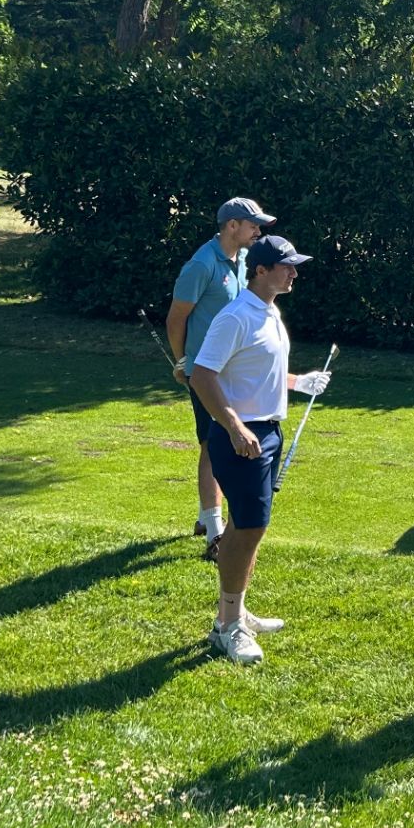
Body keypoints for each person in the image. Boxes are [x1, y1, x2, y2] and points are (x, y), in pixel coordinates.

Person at [189, 233, 332, 665]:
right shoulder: (236, 316)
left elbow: (256, 371)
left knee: (246, 526)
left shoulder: (270, 311)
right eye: (287, 266)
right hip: (242, 437)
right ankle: (227, 627)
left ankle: (233, 612)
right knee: (249, 528)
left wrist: (298, 381)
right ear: (261, 270)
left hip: (267, 432)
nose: (294, 274)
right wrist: (234, 426)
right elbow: (203, 375)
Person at [166, 196, 273, 559]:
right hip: (206, 372)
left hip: (233, 369)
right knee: (214, 445)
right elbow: (176, 318)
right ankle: (215, 531)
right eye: (253, 225)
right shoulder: (202, 265)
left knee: (221, 441)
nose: (258, 232)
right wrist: (183, 362)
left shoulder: (242, 259)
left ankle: (204, 516)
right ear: (232, 226)